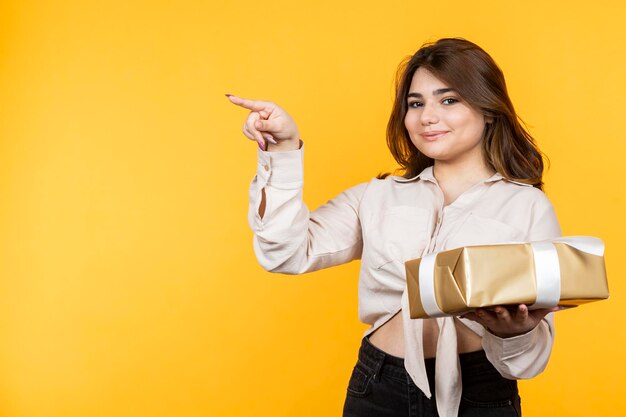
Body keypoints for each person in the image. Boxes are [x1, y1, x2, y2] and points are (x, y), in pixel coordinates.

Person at [227, 38, 562, 417]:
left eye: (448, 100)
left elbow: (528, 364)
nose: (427, 117)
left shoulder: (529, 207)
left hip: (483, 391)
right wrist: (283, 150)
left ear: (488, 110)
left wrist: (513, 331)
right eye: (416, 103)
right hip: (380, 386)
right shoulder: (376, 196)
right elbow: (284, 253)